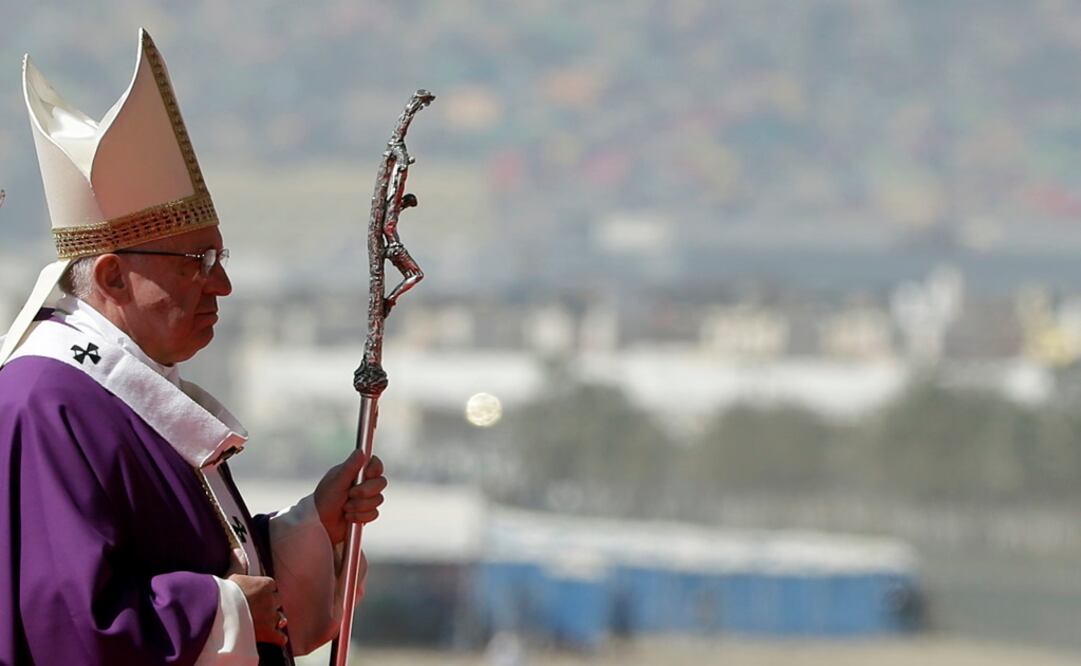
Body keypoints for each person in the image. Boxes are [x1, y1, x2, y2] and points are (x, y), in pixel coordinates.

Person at [0, 29, 386, 665]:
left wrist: (312, 528)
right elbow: (64, 623)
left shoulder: (125, 394)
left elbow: (200, 564)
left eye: (221, 257)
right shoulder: (48, 403)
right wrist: (221, 611)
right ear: (111, 276)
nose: (223, 284)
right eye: (195, 261)